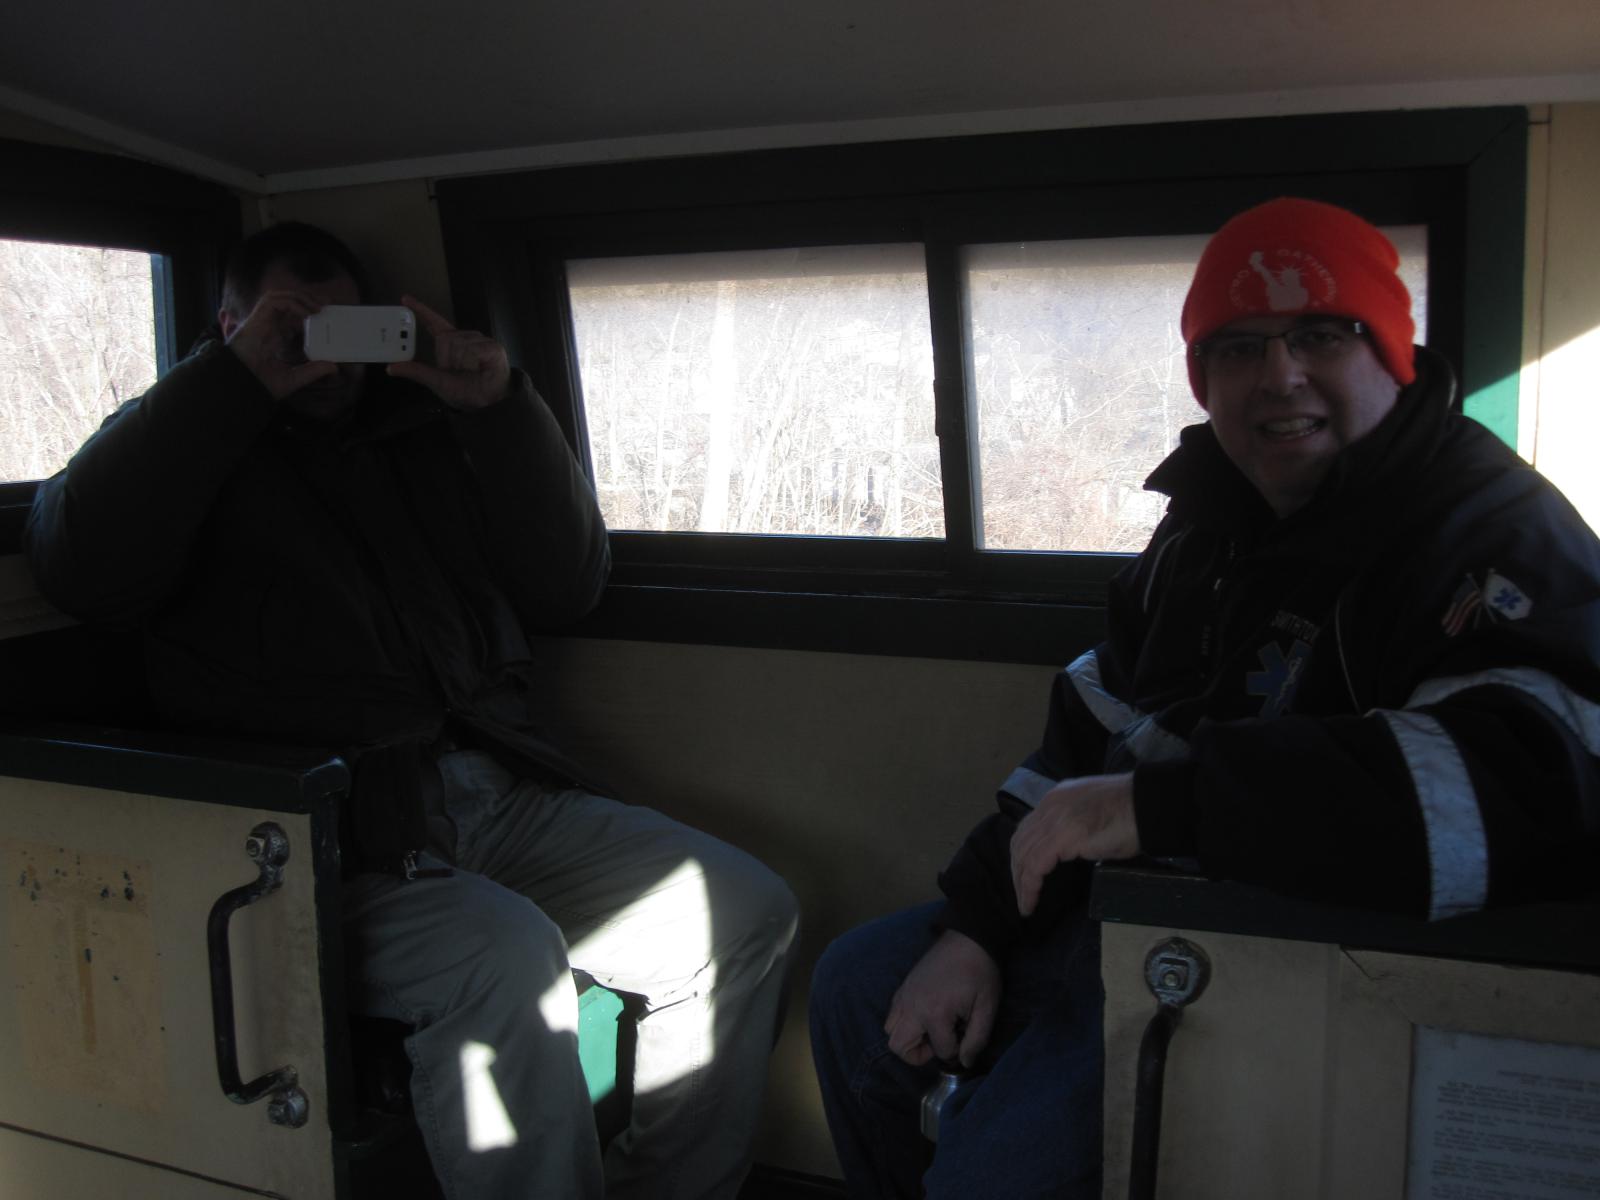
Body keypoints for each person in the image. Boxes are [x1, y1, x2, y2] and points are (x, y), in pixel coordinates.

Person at [808, 197, 1600, 1198]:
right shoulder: (1199, 526)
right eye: (1238, 347)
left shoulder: (1490, 529)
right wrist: (977, 926)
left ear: (1392, 356)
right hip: (1114, 918)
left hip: (1290, 953)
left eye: (1321, 334)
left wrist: (1166, 807)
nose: (1280, 374)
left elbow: (1534, 789)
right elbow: (1089, 736)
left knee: (988, 1174)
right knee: (854, 989)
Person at [23, 222, 798, 1200]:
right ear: (229, 327)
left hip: (492, 791)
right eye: (290, 326)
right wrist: (230, 385)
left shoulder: (421, 435)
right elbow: (78, 568)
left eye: (343, 326)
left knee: (744, 910)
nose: (324, 353)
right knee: (506, 961)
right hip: (339, 834)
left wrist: (500, 409)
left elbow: (569, 587)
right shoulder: (186, 444)